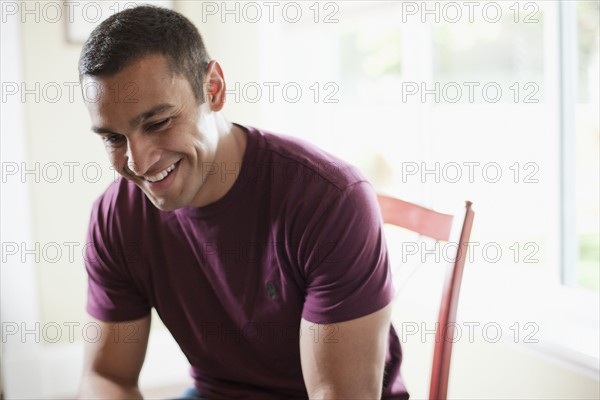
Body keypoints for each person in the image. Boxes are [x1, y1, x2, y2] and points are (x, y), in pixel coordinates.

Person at [77, 5, 409, 399]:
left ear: (213, 89)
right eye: (114, 138)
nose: (138, 162)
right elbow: (107, 378)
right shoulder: (118, 217)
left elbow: (338, 394)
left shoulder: (331, 201)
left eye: (159, 122)